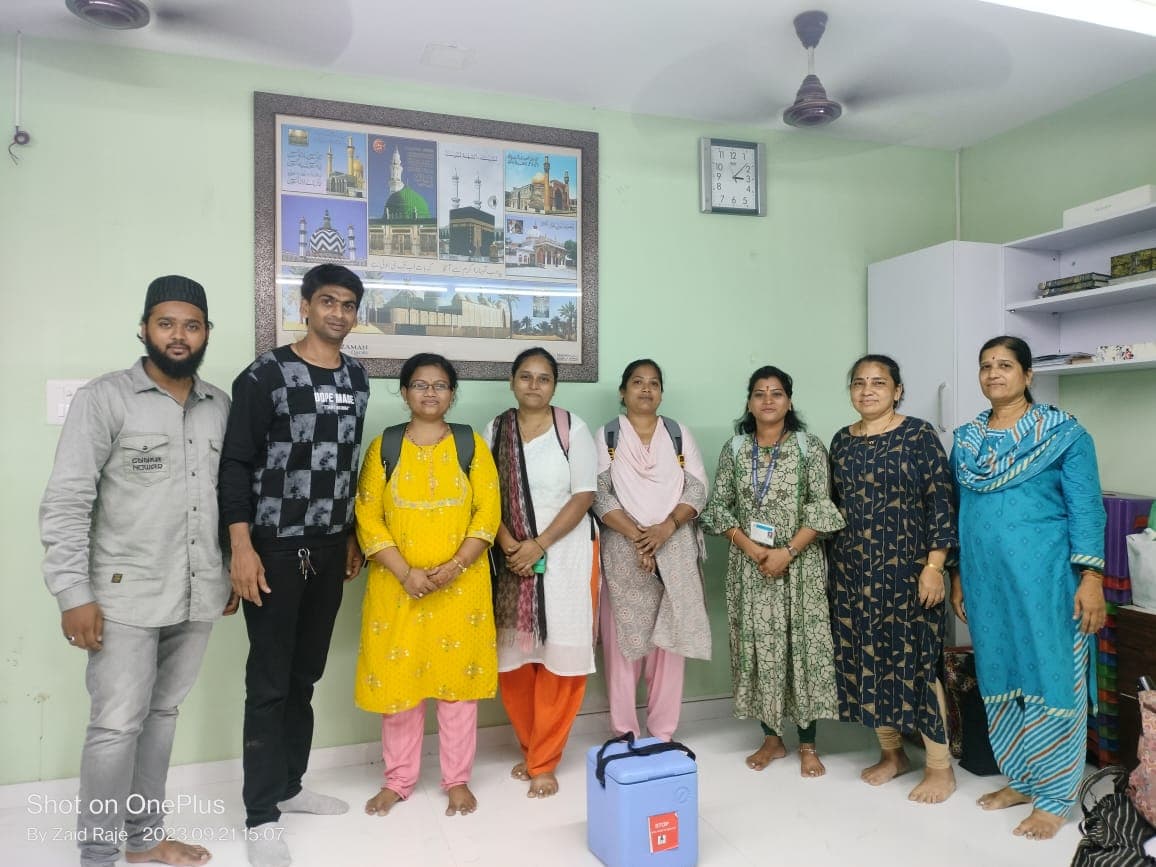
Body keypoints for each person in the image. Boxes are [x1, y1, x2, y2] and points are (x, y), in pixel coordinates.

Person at [39, 275, 233, 867]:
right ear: (144, 329)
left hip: (198, 591)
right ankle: (98, 853)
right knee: (116, 726)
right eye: (166, 323)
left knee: (162, 716)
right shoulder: (105, 399)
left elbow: (230, 496)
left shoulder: (219, 405)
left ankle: (144, 839)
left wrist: (227, 567)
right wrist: (72, 593)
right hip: (122, 595)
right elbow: (67, 500)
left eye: (191, 325)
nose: (179, 336)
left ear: (206, 333)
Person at [219, 263, 370, 867]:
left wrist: (351, 534)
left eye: (349, 304)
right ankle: (260, 816)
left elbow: (345, 463)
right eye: (327, 301)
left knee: (305, 676)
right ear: (304, 306)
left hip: (330, 548)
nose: (338, 313)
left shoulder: (357, 378)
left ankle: (290, 785)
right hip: (275, 548)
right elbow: (235, 463)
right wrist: (241, 545)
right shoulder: (266, 374)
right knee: (270, 683)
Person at [951, 336, 1106, 840]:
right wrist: (957, 574)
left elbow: (1087, 508)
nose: (994, 374)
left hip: (1047, 580)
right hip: (986, 581)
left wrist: (1092, 579)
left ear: (1028, 374)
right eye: (985, 366)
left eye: (1005, 365)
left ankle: (1056, 796)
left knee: (1050, 677)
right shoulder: (967, 442)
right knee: (1000, 675)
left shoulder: (1064, 435)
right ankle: (1022, 779)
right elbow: (960, 511)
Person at [355, 353, 500, 819]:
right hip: (397, 588)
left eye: (440, 385)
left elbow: (488, 513)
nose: (430, 393)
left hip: (461, 587)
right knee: (400, 687)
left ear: (452, 394)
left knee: (457, 687)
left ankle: (457, 780)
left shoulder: (470, 445)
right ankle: (397, 781)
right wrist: (406, 572)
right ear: (404, 392)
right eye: (420, 384)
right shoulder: (384, 447)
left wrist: (455, 566)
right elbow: (367, 516)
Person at [700, 366, 844, 777]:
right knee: (760, 650)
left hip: (800, 566)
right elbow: (718, 507)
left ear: (789, 401)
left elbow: (822, 506)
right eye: (759, 393)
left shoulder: (808, 447)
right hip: (750, 567)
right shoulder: (735, 449)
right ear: (749, 403)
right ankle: (771, 739)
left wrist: (787, 551)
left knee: (802, 649)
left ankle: (809, 743)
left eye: (776, 393)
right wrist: (752, 548)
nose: (768, 400)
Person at [827, 354, 958, 804]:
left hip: (909, 573)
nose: (867, 390)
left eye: (878, 383)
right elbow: (832, 508)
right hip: (852, 574)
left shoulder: (919, 435)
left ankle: (939, 766)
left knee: (918, 665)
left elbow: (941, 502)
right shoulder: (841, 441)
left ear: (897, 390)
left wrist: (934, 567)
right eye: (859, 382)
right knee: (867, 661)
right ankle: (892, 753)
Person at [484, 347, 598, 799]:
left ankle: (544, 761)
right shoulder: (495, 429)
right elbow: (483, 495)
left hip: (566, 558)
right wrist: (508, 543)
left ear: (554, 385)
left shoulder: (572, 428)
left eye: (544, 378)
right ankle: (532, 749)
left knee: (561, 661)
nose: (534, 385)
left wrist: (539, 544)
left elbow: (584, 495)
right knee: (514, 661)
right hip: (511, 560)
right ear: (512, 381)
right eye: (526, 376)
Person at [593, 359, 711, 742]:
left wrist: (665, 530)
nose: (646, 389)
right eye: (637, 382)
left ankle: (662, 733)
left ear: (661, 392)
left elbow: (697, 489)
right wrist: (639, 537)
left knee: (669, 647)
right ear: (623, 391)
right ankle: (624, 732)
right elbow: (599, 494)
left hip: (674, 549)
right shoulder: (608, 435)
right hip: (623, 550)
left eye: (654, 383)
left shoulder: (677, 433)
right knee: (623, 647)